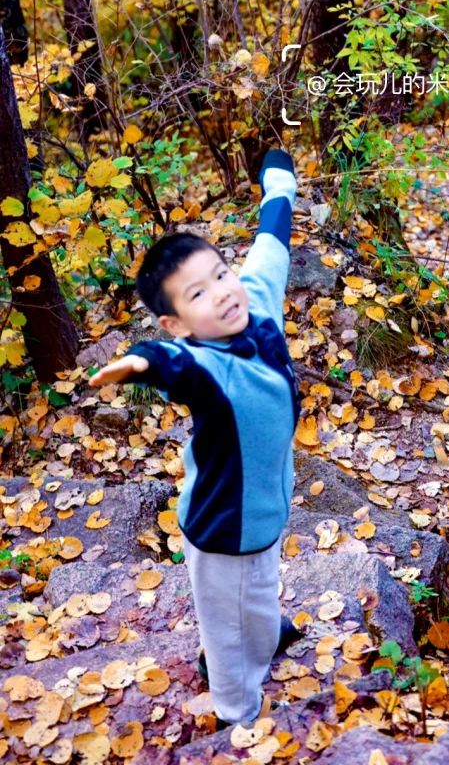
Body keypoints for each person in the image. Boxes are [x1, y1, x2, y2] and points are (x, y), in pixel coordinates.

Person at [89, 150, 301, 726]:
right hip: (223, 529)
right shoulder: (206, 367)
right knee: (228, 625)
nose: (223, 293)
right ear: (178, 322)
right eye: (198, 294)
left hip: (264, 509)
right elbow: (169, 364)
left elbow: (270, 246)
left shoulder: (253, 299)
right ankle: (236, 708)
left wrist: (278, 185)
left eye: (220, 275)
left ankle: (261, 632)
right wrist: (138, 364)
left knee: (260, 590)